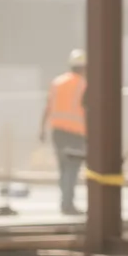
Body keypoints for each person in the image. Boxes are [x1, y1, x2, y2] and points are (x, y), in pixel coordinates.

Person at [41, 49, 87, 215]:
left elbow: (48, 107)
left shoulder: (57, 82)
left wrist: (42, 128)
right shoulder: (84, 85)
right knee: (72, 169)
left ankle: (64, 203)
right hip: (75, 133)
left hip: (57, 132)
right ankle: (68, 204)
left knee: (63, 169)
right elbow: (88, 110)